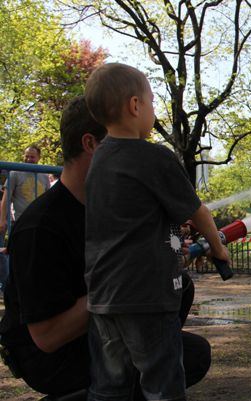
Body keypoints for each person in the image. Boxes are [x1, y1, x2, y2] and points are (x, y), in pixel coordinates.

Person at [0, 97, 212, 399]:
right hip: (49, 355)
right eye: (130, 143)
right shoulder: (40, 228)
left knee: (183, 302)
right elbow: (46, 337)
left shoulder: (113, 207)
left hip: (100, 330)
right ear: (92, 145)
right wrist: (130, 280)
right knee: (185, 358)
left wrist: (166, 256)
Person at [83, 63, 230, 401]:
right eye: (151, 102)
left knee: (108, 388)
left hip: (104, 299)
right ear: (135, 106)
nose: (152, 109)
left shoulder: (99, 162)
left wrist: (177, 248)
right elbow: (198, 211)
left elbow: (134, 226)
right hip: (147, 297)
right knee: (162, 384)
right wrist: (218, 249)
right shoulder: (154, 157)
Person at [0, 145, 50, 235]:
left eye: (32, 157)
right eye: (26, 156)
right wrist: (2, 220)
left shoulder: (45, 176)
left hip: (40, 222)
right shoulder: (15, 173)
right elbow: (6, 199)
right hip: (21, 221)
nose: (28, 159)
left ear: (38, 158)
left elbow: (48, 200)